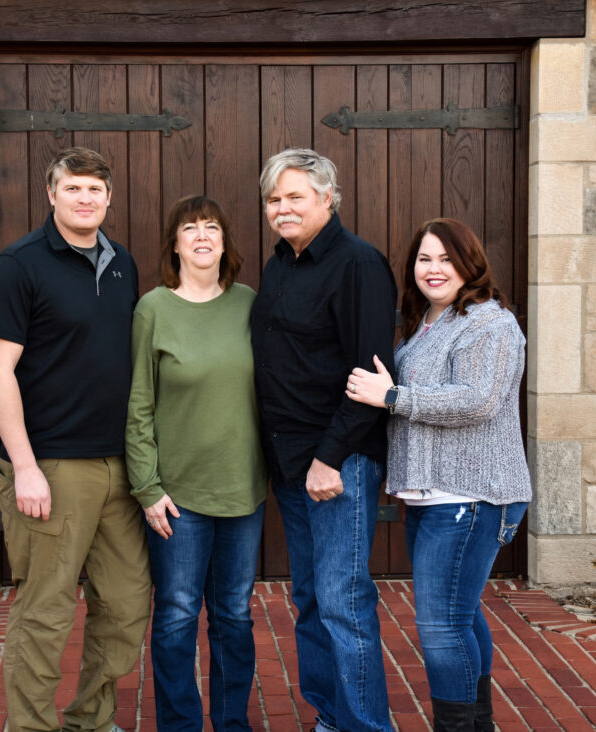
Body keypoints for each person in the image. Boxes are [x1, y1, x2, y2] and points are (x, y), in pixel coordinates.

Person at [0, 147, 151, 732]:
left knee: (126, 605)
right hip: (52, 466)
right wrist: (24, 468)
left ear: (108, 198)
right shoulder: (19, 265)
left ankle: (90, 720)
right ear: (51, 195)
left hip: (120, 467)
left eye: (95, 190)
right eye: (72, 188)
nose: (84, 199)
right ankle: (29, 726)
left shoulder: (121, 261)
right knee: (46, 612)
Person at [346, 218, 531, 732]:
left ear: (469, 264)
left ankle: (460, 726)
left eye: (446, 259)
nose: (433, 269)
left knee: (441, 625)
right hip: (434, 497)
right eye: (425, 259)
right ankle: (478, 725)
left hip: (473, 494)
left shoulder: (489, 323)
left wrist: (391, 397)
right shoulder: (427, 320)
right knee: (461, 614)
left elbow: (479, 400)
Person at [250, 148, 398, 732]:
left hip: (338, 464)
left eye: (295, 197)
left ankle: (367, 726)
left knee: (343, 603)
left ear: (328, 198)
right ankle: (332, 718)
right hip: (291, 464)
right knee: (311, 600)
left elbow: (369, 375)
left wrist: (328, 458)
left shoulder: (358, 264)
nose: (282, 209)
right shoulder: (280, 264)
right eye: (273, 199)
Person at [126, 195, 268, 731]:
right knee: (178, 617)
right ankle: (180, 725)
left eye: (213, 226)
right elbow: (138, 405)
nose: (203, 236)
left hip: (242, 490)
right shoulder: (153, 309)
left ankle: (233, 723)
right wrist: (147, 486)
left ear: (225, 241)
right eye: (191, 228)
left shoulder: (251, 305)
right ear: (176, 243)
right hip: (177, 497)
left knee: (233, 615)